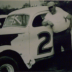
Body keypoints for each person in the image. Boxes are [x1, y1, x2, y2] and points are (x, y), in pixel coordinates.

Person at [42, 1, 72, 71]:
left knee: (68, 50)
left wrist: (70, 28)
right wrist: (46, 22)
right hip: (56, 35)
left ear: (54, 6)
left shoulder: (61, 12)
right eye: (49, 8)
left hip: (65, 34)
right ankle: (60, 66)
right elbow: (43, 23)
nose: (50, 9)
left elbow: (71, 17)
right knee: (57, 52)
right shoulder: (48, 15)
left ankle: (69, 67)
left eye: (51, 7)